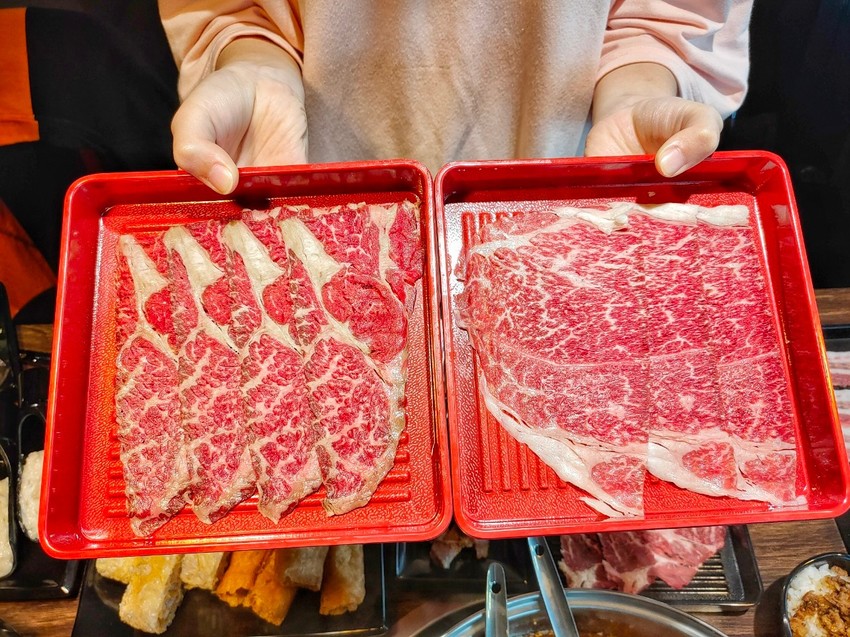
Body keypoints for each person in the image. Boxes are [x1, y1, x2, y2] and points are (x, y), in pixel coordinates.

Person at [160, 1, 753, 194]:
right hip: (308, 176)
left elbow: (666, 12)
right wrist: (255, 63)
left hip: (567, 186)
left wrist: (634, 94)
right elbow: (233, 7)